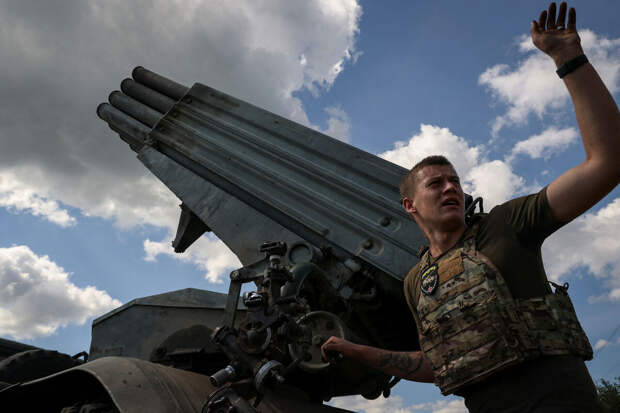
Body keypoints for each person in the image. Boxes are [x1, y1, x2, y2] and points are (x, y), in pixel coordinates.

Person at [321, 2, 620, 412]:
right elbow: (439, 363)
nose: (451, 188)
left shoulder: (507, 224)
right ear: (410, 205)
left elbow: (607, 162)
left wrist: (568, 59)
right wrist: (357, 350)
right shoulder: (416, 281)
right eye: (436, 183)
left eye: (456, 182)